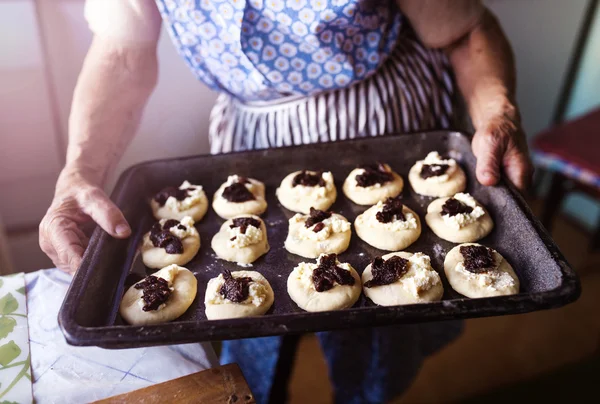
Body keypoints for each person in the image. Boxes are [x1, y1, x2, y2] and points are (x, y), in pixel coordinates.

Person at [39, 0, 533, 402]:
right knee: (253, 342)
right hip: (255, 143)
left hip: (385, 128)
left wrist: (497, 112)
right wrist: (78, 173)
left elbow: (464, 30)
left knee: (378, 333)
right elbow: (122, 53)